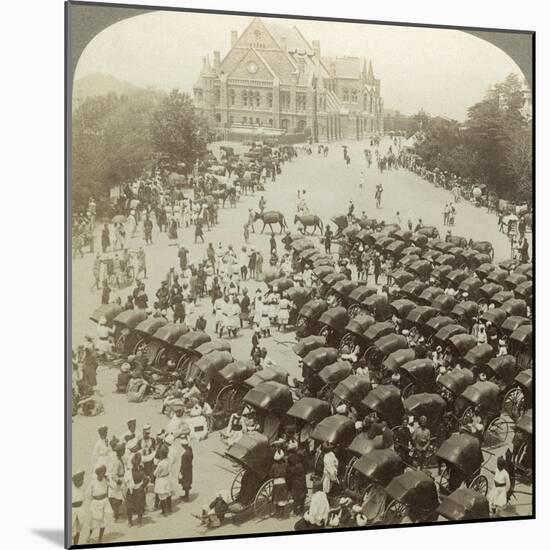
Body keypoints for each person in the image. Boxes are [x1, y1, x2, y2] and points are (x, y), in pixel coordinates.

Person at [88, 464, 109, 543]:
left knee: (103, 521)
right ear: (98, 473)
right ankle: (89, 536)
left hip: (104, 502)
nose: (103, 474)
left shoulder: (105, 480)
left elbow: (113, 486)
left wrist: (109, 480)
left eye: (104, 472)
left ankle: (100, 537)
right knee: (93, 521)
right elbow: (88, 494)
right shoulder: (92, 482)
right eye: (102, 473)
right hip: (96, 503)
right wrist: (95, 499)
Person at [154, 445, 172, 516]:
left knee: (162, 496)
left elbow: (155, 473)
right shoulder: (169, 460)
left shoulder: (160, 464)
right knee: (168, 493)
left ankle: (164, 511)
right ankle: (169, 508)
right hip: (167, 477)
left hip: (161, 479)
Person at [270, 449, 289, 517]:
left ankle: (277, 513)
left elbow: (271, 475)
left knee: (277, 499)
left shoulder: (273, 466)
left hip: (276, 483)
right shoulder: (285, 465)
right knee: (282, 499)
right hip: (283, 483)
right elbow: (287, 474)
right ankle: (281, 514)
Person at [71, 471, 85, 545]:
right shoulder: (70, 488)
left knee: (78, 529)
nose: (82, 481)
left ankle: (76, 544)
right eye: (80, 480)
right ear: (75, 480)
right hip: (72, 511)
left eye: (82, 479)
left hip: (80, 510)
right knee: (71, 529)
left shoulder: (82, 488)